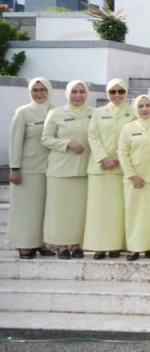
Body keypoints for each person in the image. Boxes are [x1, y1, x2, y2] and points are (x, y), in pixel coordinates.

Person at [41, 80, 93, 259]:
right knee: (60, 210)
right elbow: (46, 138)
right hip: (60, 170)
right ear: (67, 94)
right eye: (74, 92)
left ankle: (77, 244)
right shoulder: (55, 113)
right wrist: (67, 143)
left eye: (81, 92)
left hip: (84, 169)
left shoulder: (93, 113)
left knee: (79, 211)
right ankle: (61, 245)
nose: (78, 95)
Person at [83, 78, 133, 259]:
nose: (117, 95)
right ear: (107, 93)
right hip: (100, 168)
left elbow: (132, 139)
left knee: (117, 210)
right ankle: (99, 246)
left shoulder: (133, 113)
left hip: (121, 168)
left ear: (126, 93)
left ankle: (115, 245)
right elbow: (93, 136)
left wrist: (119, 158)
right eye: (113, 91)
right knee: (98, 209)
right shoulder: (98, 112)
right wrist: (103, 158)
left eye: (121, 91)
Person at [7, 77, 55, 259]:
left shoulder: (55, 112)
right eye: (35, 90)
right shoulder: (23, 112)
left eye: (43, 89)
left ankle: (40, 243)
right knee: (25, 209)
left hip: (49, 169)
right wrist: (14, 168)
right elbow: (15, 140)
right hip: (27, 169)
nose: (39, 93)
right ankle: (24, 245)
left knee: (42, 210)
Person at [118, 94, 150, 260]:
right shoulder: (128, 128)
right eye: (140, 106)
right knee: (134, 214)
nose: (145, 109)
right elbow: (122, 153)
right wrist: (131, 175)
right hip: (134, 179)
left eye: (148, 105)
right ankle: (134, 247)